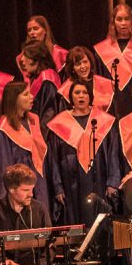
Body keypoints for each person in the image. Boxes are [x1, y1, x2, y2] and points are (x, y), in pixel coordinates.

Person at [47, 80, 119, 224]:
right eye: (77, 92)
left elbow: (113, 152)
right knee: (75, 217)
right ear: (71, 97)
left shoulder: (103, 120)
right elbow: (53, 159)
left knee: (99, 217)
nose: (81, 96)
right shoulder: (59, 123)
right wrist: (58, 187)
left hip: (99, 176)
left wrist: (112, 182)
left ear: (90, 96)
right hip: (71, 180)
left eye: (85, 93)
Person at [0, 81, 52, 211]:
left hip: (39, 184)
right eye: (26, 94)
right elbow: (2, 165)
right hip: (19, 189)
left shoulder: (33, 120)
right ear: (14, 99)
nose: (31, 97)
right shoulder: (5, 127)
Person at [0, 164, 53, 265]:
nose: (31, 194)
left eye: (32, 189)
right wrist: (4, 261)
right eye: (26, 190)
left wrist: (43, 264)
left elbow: (50, 243)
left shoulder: (40, 209)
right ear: (11, 189)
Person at [93, 3, 132, 117]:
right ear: (113, 23)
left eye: (127, 19)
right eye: (119, 19)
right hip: (111, 105)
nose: (123, 23)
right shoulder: (101, 50)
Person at [18, 40, 65, 132]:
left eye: (25, 55)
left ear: (36, 58)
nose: (22, 60)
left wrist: (40, 141)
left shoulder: (48, 80)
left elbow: (49, 115)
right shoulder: (38, 77)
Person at [59, 46, 114, 112]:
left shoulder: (106, 84)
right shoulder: (66, 90)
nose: (83, 66)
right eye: (78, 64)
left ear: (90, 62)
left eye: (85, 62)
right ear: (72, 68)